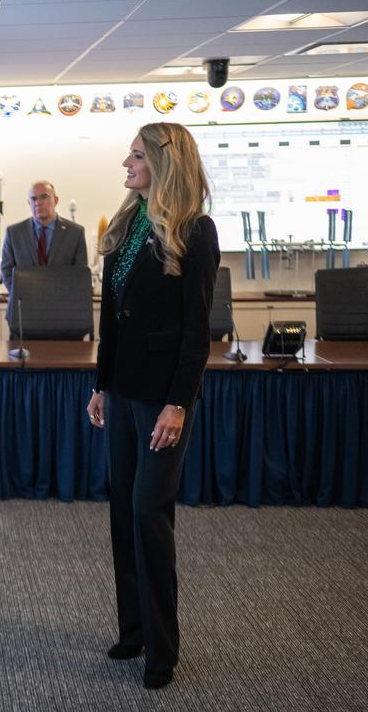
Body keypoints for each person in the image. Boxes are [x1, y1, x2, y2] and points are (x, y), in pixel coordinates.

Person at [86, 122, 220, 691]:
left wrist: (178, 404)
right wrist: (100, 384)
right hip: (121, 392)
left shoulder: (197, 229)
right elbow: (112, 317)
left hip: (163, 399)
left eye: (137, 155)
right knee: (122, 511)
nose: (127, 162)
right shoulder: (128, 221)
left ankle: (162, 650)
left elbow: (196, 332)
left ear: (164, 163)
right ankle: (133, 630)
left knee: (149, 512)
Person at [0, 180, 87, 333]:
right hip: (23, 317)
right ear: (29, 203)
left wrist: (53, 301)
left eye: (44, 197)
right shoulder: (14, 233)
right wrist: (27, 298)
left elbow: (79, 275)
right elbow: (7, 272)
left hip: (64, 318)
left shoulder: (75, 233)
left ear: (56, 200)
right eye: (33, 199)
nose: (38, 202)